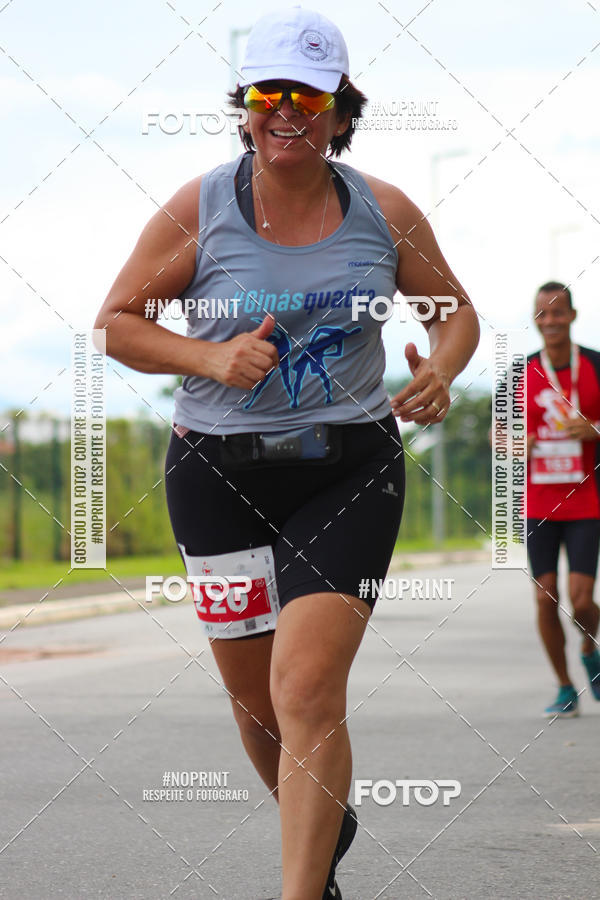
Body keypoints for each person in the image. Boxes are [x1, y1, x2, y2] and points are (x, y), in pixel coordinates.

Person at [95, 7, 479, 897]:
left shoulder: (385, 211)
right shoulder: (199, 207)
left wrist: (441, 372)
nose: (288, 112)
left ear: (342, 112)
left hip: (350, 469)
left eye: (311, 96)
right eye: (270, 93)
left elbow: (452, 311)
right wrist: (206, 356)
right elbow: (115, 323)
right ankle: (322, 832)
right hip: (214, 473)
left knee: (305, 691)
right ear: (246, 108)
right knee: (260, 711)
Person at [526, 281, 600, 718]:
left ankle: (590, 646)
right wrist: (521, 440)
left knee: (581, 598)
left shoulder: (594, 364)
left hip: (587, 499)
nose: (550, 321)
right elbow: (500, 434)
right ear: (535, 320)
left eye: (558, 313)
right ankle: (563, 686)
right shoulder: (521, 372)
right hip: (539, 503)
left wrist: (596, 429)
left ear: (572, 315)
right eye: (542, 314)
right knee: (544, 596)